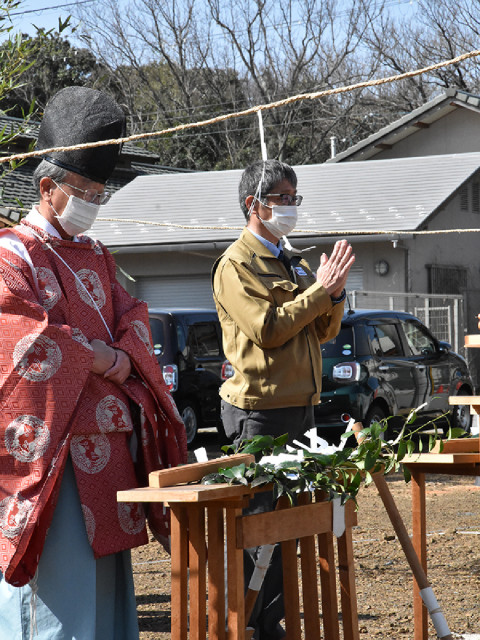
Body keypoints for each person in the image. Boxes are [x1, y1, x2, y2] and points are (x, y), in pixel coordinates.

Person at [0, 86, 187, 640]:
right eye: (83, 190)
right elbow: (22, 341)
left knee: (107, 599)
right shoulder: (12, 252)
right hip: (53, 458)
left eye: (100, 192)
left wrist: (118, 355)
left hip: (111, 454)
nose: (92, 202)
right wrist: (108, 357)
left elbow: (135, 320)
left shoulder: (100, 256)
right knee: (56, 602)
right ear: (46, 186)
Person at [212, 159, 354, 640]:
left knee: (292, 526)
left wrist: (332, 296)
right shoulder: (236, 264)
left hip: (301, 409)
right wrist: (319, 291)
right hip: (260, 416)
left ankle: (282, 624)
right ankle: (254, 627)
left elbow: (323, 329)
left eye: (296, 198)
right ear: (255, 205)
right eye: (284, 198)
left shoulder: (293, 259)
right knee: (260, 533)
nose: (293, 207)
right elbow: (268, 330)